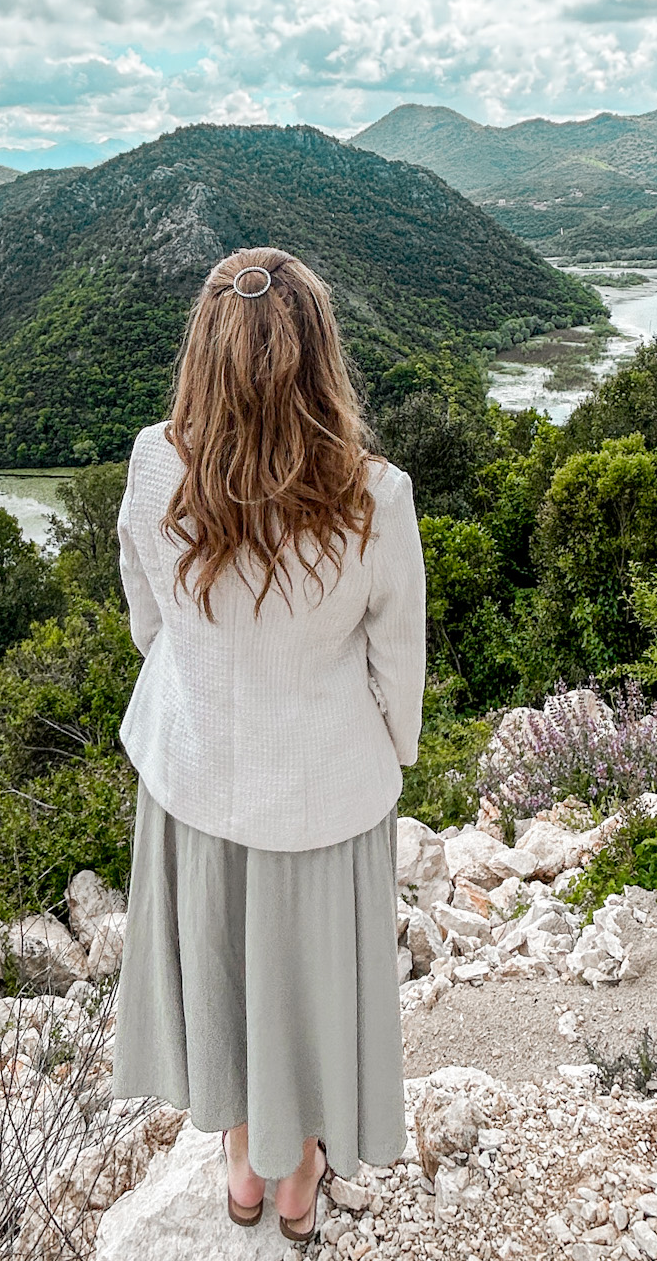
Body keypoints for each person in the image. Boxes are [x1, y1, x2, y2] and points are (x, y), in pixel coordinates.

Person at [111, 247, 427, 1240]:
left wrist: (204, 683)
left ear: (200, 352)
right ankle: (299, 1182)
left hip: (194, 775)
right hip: (327, 792)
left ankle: (245, 1165)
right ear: (320, 353)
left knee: (226, 978)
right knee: (307, 985)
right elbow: (397, 663)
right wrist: (386, 756)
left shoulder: (156, 463)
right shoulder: (377, 493)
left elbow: (148, 618)